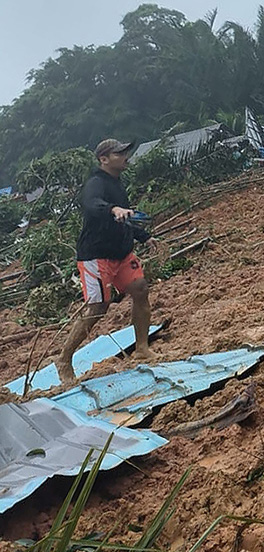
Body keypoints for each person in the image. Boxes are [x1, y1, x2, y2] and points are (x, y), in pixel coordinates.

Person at [56, 139, 159, 384]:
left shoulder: (117, 184)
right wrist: (113, 209)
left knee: (140, 289)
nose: (126, 155)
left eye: (125, 151)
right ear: (104, 159)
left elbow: (122, 219)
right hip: (96, 255)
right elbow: (92, 206)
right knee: (99, 308)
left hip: (121, 253)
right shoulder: (95, 183)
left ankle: (142, 348)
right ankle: (63, 359)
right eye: (119, 152)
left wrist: (144, 236)